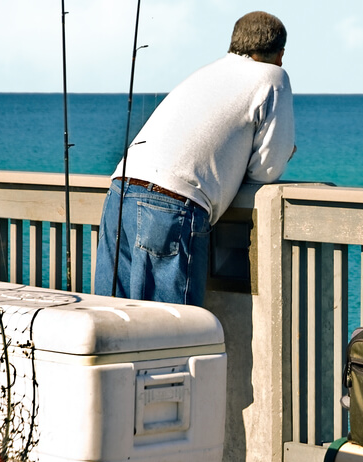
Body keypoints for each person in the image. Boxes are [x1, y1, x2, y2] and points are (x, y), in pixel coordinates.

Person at [94, 10, 296, 305]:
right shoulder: (273, 77)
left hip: (120, 192)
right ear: (280, 54)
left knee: (113, 322)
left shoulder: (207, 71)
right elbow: (267, 169)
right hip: (172, 201)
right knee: (174, 333)